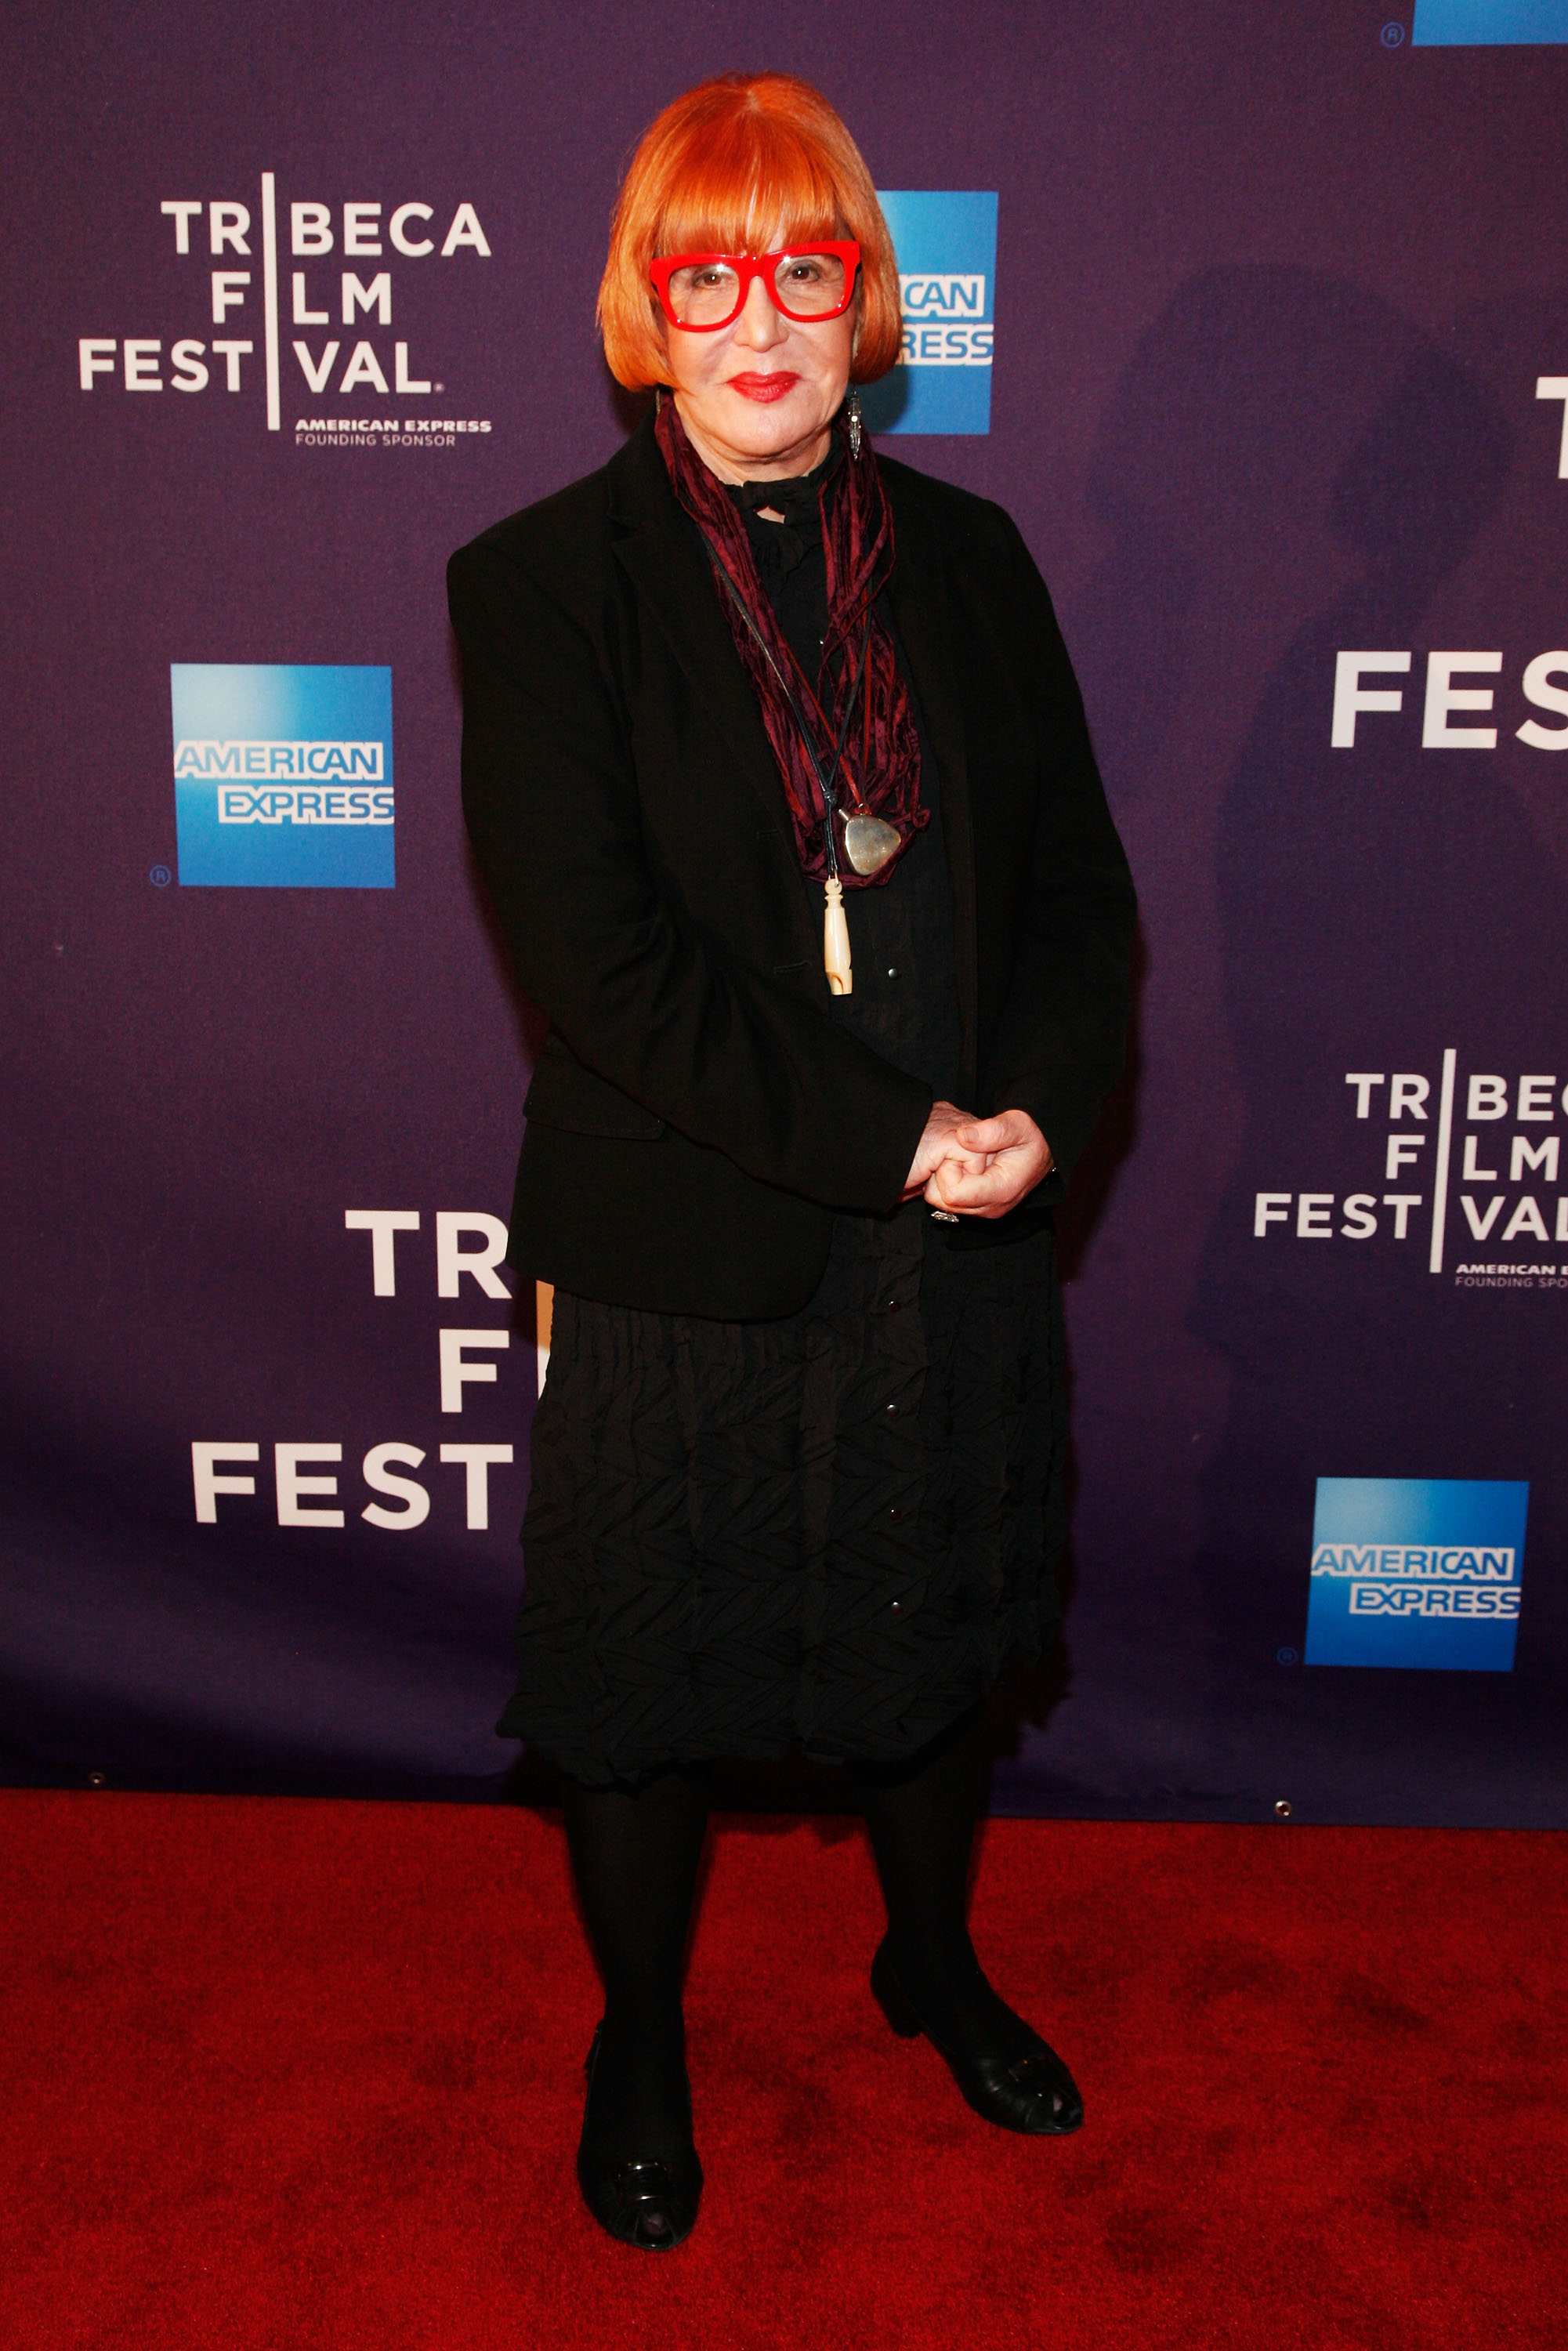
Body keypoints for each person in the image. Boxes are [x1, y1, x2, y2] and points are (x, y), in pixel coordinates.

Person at [448, 71, 1135, 2251]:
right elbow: (604, 970)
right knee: (647, 1690)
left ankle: (924, 1962)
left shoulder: (973, 557)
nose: (762, 323)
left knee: (930, 1635)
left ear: (866, 301)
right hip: (690, 1238)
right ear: (647, 310)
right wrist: (891, 1132)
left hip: (954, 1235)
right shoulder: (542, 584)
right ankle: (636, 2031)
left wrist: (1031, 1098)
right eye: (707, 276)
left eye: (807, 271)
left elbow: (1076, 896)